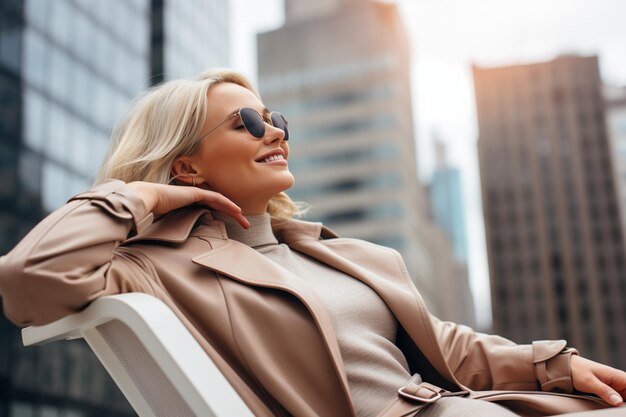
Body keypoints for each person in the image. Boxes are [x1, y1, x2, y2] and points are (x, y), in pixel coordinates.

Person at [0, 69, 625, 417]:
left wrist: (553, 365)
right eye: (247, 121)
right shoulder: (154, 269)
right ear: (186, 166)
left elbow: (445, 345)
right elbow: (29, 281)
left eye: (276, 118)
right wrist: (139, 197)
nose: (273, 130)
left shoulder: (337, 252)